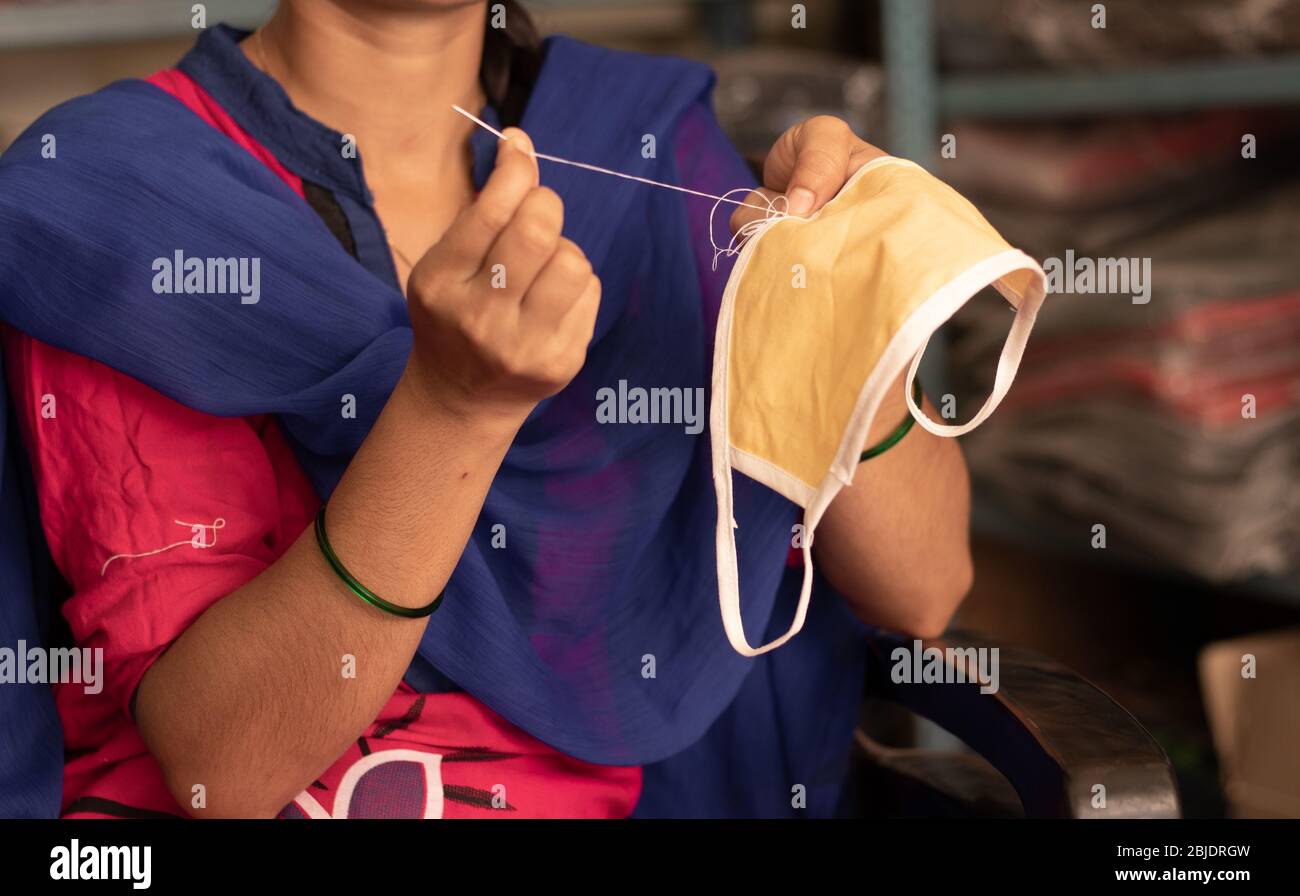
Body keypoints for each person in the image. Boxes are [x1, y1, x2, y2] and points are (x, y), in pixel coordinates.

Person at [0, 0, 971, 819]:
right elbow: (225, 768)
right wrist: (449, 411)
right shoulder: (119, 206)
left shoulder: (647, 148)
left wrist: (844, 292)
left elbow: (922, 585)